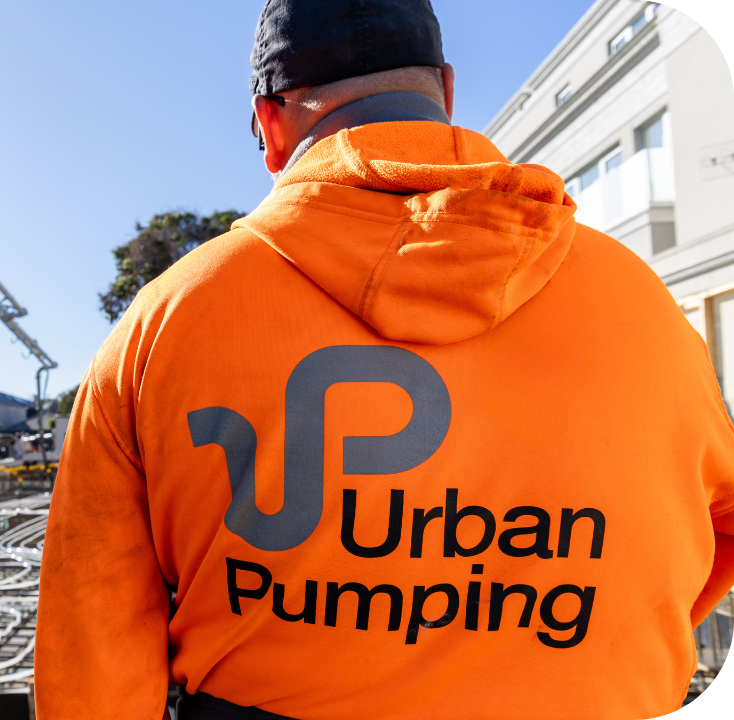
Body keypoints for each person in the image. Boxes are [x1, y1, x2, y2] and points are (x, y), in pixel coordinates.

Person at [36, 0, 734, 717]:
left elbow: (93, 647)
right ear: (447, 91)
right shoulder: (642, 306)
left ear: (270, 125)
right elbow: (719, 526)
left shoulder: (163, 324)